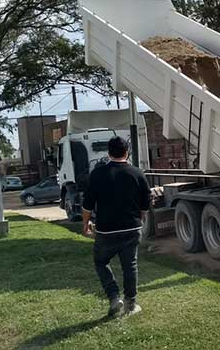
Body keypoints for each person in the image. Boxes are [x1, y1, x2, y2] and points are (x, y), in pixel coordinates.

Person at [82, 136, 151, 318]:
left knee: (101, 262)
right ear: (127, 152)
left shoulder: (97, 174)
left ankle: (114, 297)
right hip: (131, 228)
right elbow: (145, 206)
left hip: (106, 231)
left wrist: (85, 224)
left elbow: (87, 206)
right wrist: (139, 221)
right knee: (130, 266)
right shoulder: (137, 173)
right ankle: (131, 304)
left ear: (108, 153)